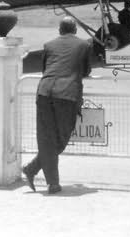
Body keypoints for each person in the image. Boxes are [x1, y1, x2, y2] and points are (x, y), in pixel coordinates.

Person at [22, 17, 92, 194]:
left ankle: (35, 170)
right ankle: (50, 182)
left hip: (45, 92)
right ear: (75, 29)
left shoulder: (48, 45)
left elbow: (45, 70)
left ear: (60, 30)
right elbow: (86, 71)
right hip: (66, 94)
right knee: (60, 140)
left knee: (47, 139)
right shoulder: (84, 45)